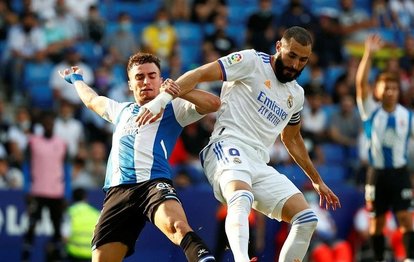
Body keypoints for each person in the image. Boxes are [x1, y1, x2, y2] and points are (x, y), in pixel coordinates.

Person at [137, 26, 341, 262]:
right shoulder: (252, 61)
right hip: (226, 145)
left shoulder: (296, 95)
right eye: (291, 55)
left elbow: (292, 138)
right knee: (241, 195)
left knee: (307, 219)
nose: (295, 65)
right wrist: (162, 100)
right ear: (278, 47)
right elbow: (201, 74)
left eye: (303, 60)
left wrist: (316, 180)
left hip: (258, 162)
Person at [59, 52, 219, 262]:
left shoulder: (174, 108)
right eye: (139, 77)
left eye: (152, 76)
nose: (146, 81)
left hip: (153, 185)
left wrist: (178, 92)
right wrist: (77, 80)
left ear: (161, 80)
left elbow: (213, 103)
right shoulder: (121, 110)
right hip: (118, 191)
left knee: (176, 225)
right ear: (130, 84)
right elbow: (92, 100)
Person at [355, 34, 414, 261]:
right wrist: (368, 53)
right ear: (378, 91)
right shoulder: (371, 112)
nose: (390, 91)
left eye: (393, 87)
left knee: (406, 219)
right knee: (377, 224)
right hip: (377, 174)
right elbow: (360, 84)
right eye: (385, 87)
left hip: (399, 174)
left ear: (398, 91)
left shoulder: (407, 117)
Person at [21, 110, 70, 262]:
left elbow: (66, 170)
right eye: (46, 123)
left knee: (57, 227)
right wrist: (26, 188)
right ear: (42, 125)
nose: (49, 125)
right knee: (31, 226)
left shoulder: (62, 144)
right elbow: (26, 166)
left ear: (54, 125)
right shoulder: (33, 142)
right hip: (37, 191)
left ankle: (55, 256)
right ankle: (26, 254)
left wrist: (66, 193)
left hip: (56, 192)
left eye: (51, 123)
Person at [65, 187, 100, 262]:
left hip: (74, 254)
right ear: (85, 198)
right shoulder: (96, 213)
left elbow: (65, 237)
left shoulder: (69, 213)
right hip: (91, 254)